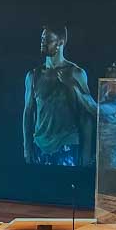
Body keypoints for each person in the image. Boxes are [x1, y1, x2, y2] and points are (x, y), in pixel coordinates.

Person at [22, 24, 97, 166]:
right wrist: (27, 146)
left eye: (48, 39)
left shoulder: (76, 73)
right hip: (40, 144)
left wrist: (86, 151)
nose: (43, 42)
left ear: (61, 42)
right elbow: (28, 113)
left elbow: (86, 114)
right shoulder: (34, 75)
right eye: (42, 39)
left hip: (67, 143)